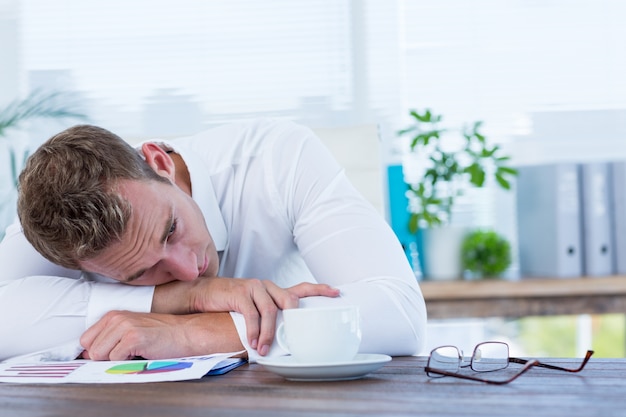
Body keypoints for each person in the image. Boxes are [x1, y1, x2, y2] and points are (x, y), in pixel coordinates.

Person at [0, 119, 427, 362]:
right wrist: (190, 297)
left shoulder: (277, 160)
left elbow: (400, 314)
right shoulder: (57, 224)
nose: (187, 270)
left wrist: (191, 333)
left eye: (171, 229)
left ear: (159, 162)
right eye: (140, 273)